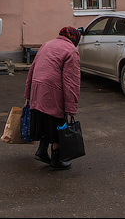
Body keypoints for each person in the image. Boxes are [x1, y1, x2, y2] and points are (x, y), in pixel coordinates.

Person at [24, 26, 81, 170]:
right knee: (58, 123)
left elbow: (32, 69)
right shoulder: (71, 50)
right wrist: (71, 107)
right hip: (53, 91)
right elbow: (71, 82)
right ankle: (56, 159)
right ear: (74, 39)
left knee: (43, 120)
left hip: (37, 89)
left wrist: (28, 93)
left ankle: (42, 150)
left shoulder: (47, 44)